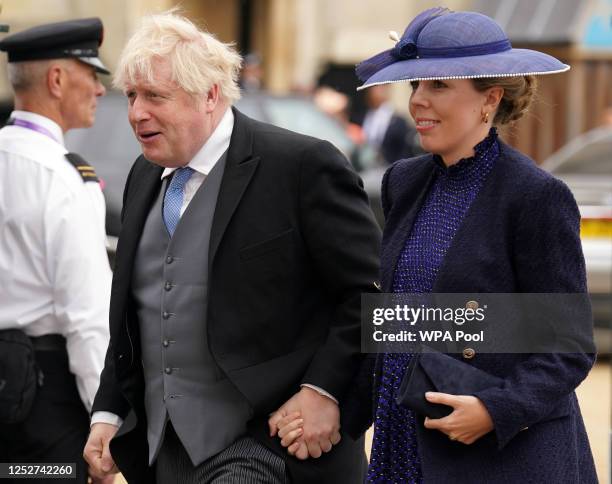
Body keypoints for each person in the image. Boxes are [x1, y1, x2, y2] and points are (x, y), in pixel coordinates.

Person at [281, 7, 598, 483]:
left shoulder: (536, 197)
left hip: (499, 459)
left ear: (489, 100)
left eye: (438, 86)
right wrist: (329, 403)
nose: (417, 102)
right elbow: (402, 321)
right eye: (415, 86)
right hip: (401, 440)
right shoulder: (403, 181)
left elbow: (568, 347)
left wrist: (494, 409)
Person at [83, 12, 381, 484]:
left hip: (269, 444)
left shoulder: (301, 166)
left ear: (210, 96)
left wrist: (323, 388)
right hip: (165, 451)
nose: (137, 112)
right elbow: (138, 313)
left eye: (155, 96)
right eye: (133, 96)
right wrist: (108, 413)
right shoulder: (143, 176)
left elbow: (368, 297)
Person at [0, 18, 111, 484]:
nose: (101, 90)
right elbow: (86, 317)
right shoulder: (63, 177)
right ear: (58, 79)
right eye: (93, 75)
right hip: (44, 399)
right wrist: (104, 421)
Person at [362, 84, 420, 164]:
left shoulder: (398, 120)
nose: (375, 90)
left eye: (379, 87)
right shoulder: (366, 116)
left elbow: (404, 149)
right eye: (373, 87)